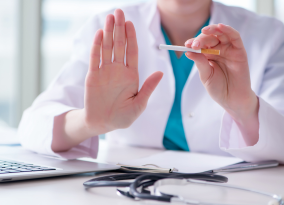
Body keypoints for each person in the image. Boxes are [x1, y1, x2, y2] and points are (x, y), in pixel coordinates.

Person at [18, 0, 284, 162]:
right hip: (127, 190)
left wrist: (244, 107)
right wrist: (89, 122)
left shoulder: (269, 35)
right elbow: (34, 125)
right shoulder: (109, 27)